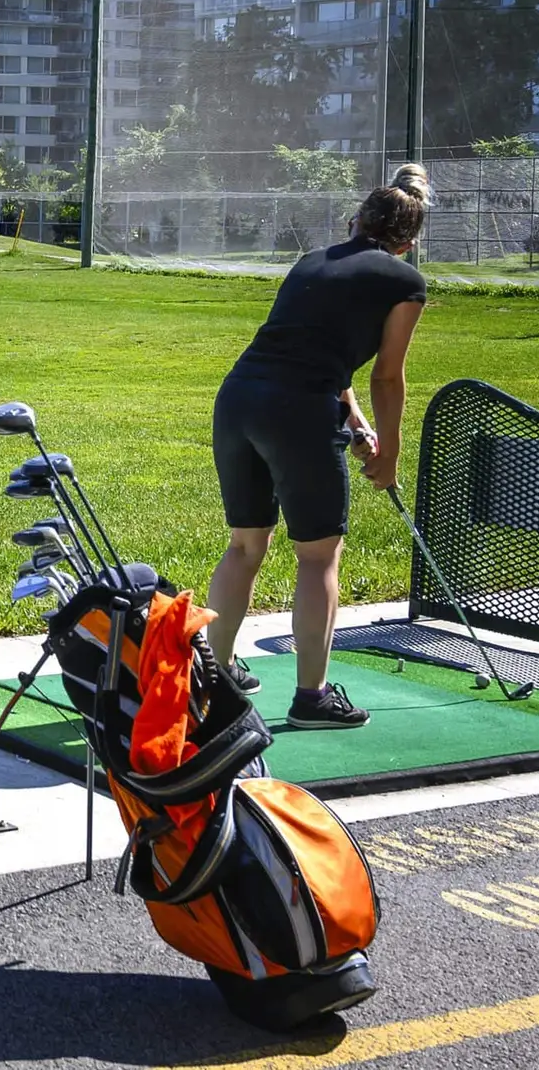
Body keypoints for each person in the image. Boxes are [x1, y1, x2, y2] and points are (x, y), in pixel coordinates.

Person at [203, 164, 433, 731]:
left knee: (244, 546)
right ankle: (312, 698)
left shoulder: (311, 262)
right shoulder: (404, 280)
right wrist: (390, 451)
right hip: (297, 411)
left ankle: (219, 674)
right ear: (408, 242)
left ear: (355, 222)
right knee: (318, 555)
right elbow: (387, 374)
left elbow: (321, 350)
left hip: (238, 401)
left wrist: (352, 418)